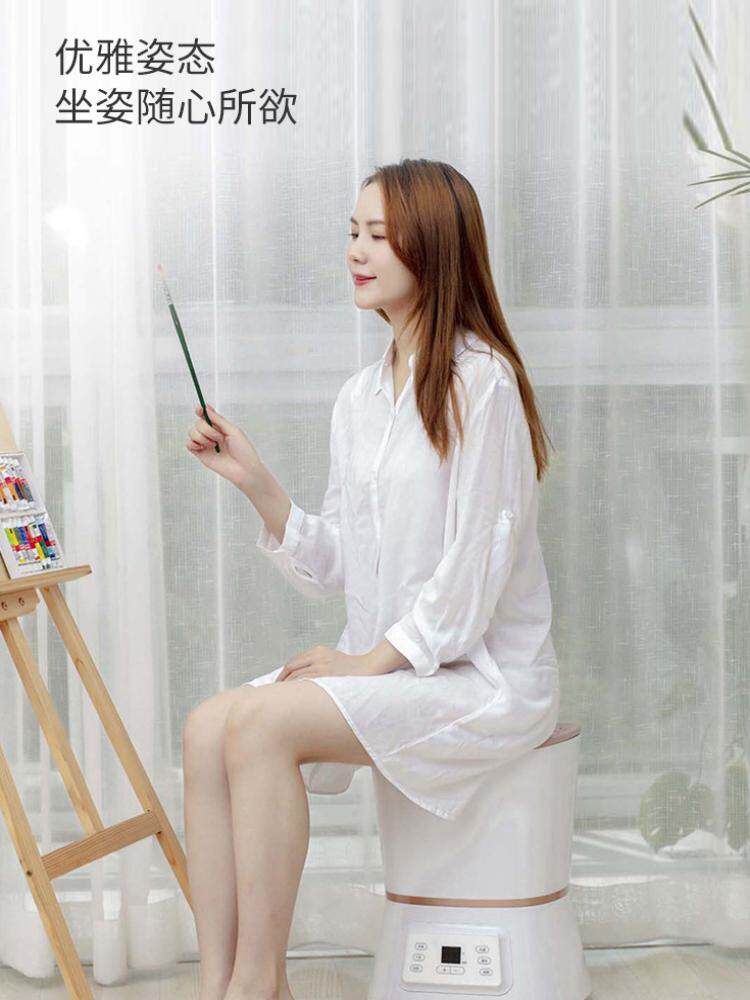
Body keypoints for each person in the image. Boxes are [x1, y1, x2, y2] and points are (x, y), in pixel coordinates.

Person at [181, 158, 560, 1000]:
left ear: (434, 246)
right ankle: (218, 986)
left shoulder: (482, 382)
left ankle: (258, 985)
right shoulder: (359, 398)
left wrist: (368, 662)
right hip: (397, 666)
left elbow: (475, 567)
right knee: (206, 728)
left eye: (379, 236)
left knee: (261, 727)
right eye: (353, 232)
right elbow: (342, 567)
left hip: (480, 676)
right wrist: (255, 481)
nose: (356, 251)